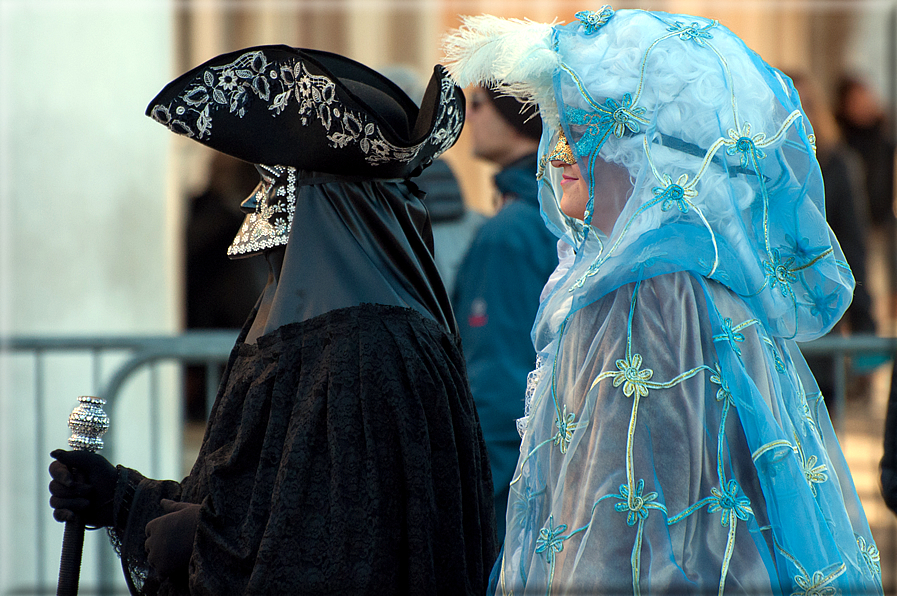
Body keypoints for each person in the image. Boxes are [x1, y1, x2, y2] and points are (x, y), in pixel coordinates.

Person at [445, 8, 883, 595]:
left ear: (638, 147)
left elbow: (638, 505)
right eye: (560, 128)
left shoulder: (650, 289)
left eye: (586, 129)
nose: (559, 155)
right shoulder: (648, 272)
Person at [49, 45, 497, 595]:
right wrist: (119, 498)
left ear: (326, 203)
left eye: (274, 181)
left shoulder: (369, 353)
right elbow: (251, 501)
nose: (252, 205)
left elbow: (348, 559)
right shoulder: (312, 334)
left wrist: (200, 542)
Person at [452, 86, 558, 542]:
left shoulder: (510, 232)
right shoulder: (552, 217)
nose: (468, 116)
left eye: (476, 103)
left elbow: (499, 376)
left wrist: (483, 490)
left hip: (508, 472)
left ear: (516, 115)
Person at [788, 71, 880, 399]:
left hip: (819, 324)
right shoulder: (752, 165)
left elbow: (852, 249)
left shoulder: (836, 164)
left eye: (803, 104)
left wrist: (865, 329)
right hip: (768, 330)